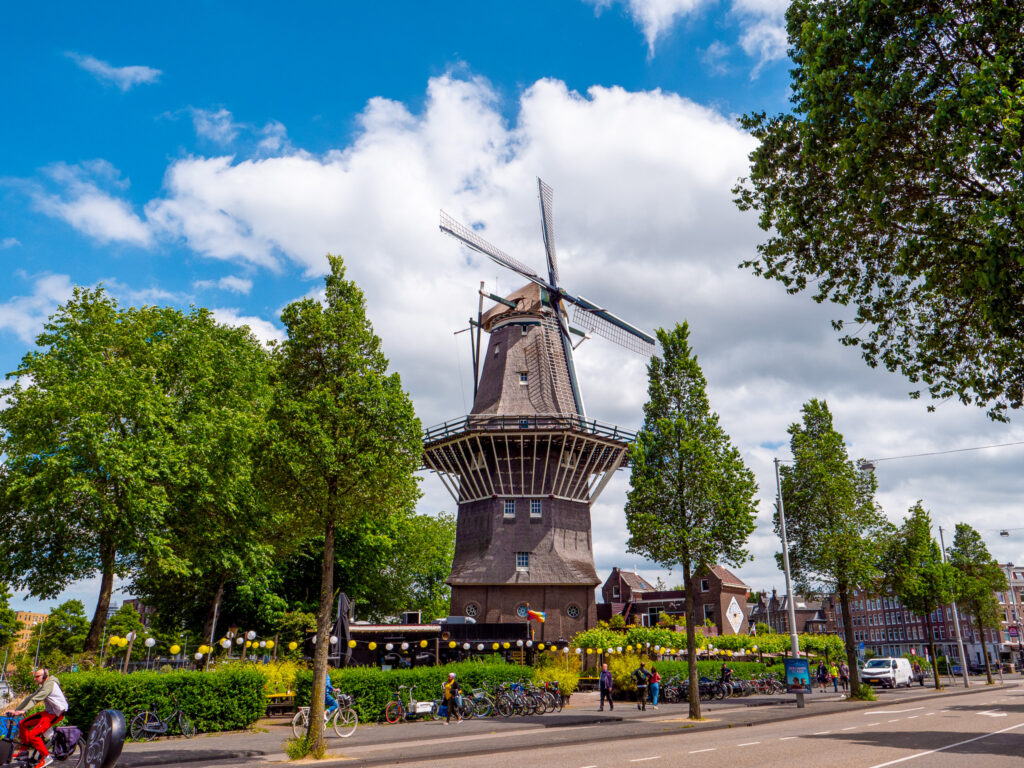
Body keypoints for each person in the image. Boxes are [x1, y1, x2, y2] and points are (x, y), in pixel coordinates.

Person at [3, 668, 68, 768]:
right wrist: (16, 710)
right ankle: (24, 751)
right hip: (48, 712)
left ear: (45, 676)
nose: (35, 678)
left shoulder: (50, 684)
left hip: (57, 713)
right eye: (34, 676)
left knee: (33, 734)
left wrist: (24, 711)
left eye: (37, 676)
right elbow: (30, 698)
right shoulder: (43, 685)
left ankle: (46, 757)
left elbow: (36, 699)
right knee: (23, 723)